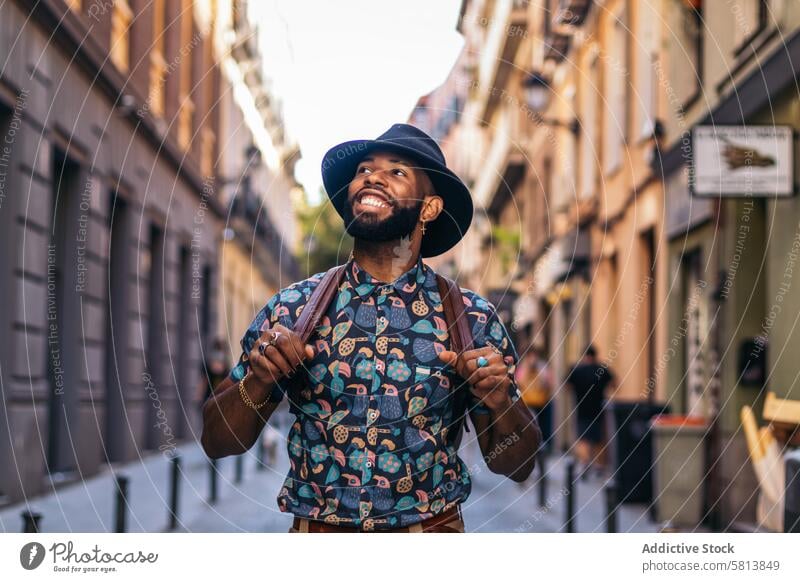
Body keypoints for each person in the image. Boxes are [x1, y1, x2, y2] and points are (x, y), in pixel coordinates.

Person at [201, 124, 541, 532]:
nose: (372, 177)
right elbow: (218, 442)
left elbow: (518, 464)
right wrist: (258, 377)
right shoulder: (293, 309)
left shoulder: (471, 318)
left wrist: (501, 399)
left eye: (396, 172)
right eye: (364, 170)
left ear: (429, 208)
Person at [564, 345, 615, 480]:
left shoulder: (577, 370)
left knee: (583, 439)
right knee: (599, 439)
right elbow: (614, 383)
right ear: (595, 355)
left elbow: (567, 386)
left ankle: (585, 463)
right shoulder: (602, 369)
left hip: (581, 409)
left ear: (584, 356)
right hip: (598, 409)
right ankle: (599, 466)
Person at [515, 348, 553, 455]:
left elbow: (549, 384)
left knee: (540, 429)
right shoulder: (523, 367)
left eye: (534, 356)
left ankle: (540, 447)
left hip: (541, 404)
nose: (533, 359)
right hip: (528, 404)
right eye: (531, 356)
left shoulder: (542, 367)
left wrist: (542, 379)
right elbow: (519, 383)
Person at [196, 338, 230, 411]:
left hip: (219, 399)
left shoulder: (226, 368)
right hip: (209, 398)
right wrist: (199, 396)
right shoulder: (207, 365)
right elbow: (203, 382)